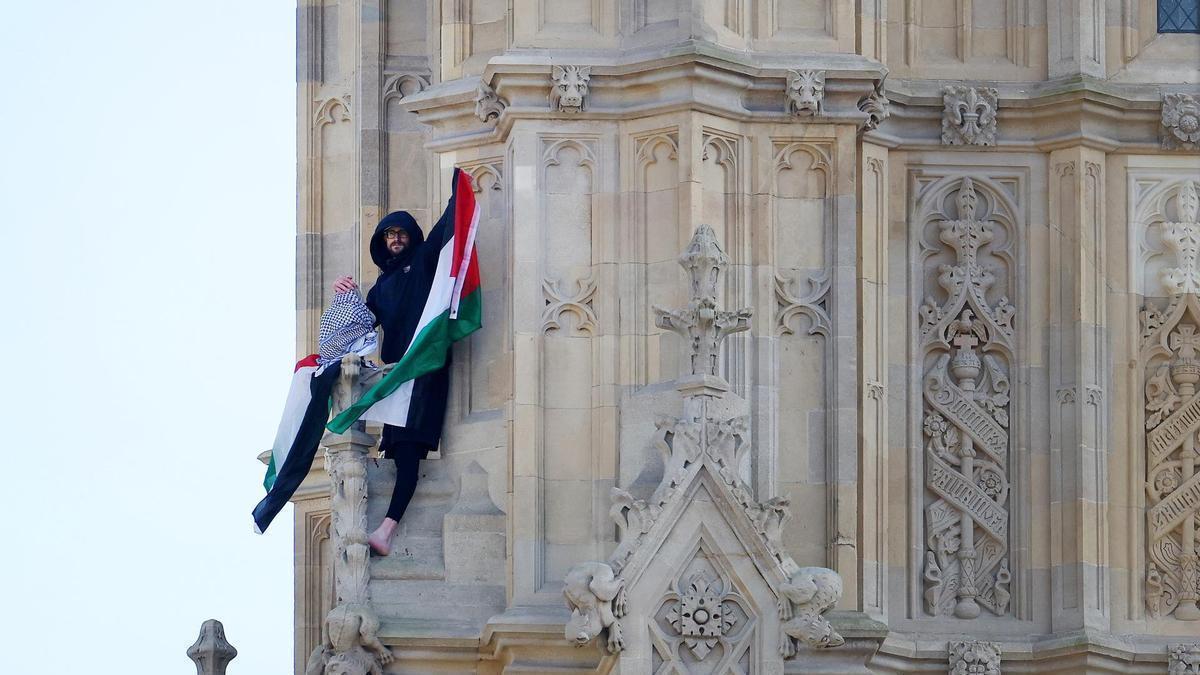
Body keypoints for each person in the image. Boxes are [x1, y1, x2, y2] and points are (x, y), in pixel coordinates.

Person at [333, 210, 451, 556]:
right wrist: (346, 295)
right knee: (394, 447)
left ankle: (386, 530)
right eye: (389, 235)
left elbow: (446, 229)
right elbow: (360, 325)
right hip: (396, 376)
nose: (395, 239)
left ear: (411, 235)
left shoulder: (425, 260)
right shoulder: (382, 285)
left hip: (425, 369)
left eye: (400, 233)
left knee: (409, 451)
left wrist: (461, 184)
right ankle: (383, 531)